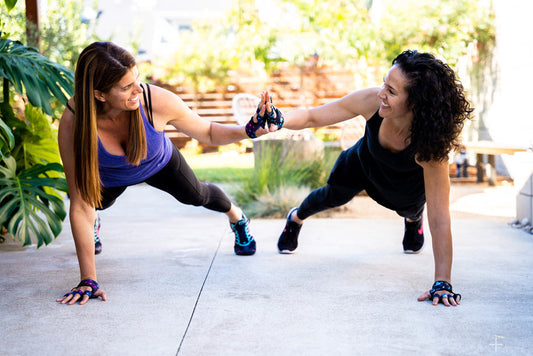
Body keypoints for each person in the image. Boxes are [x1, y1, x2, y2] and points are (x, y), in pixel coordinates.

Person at [56, 42, 282, 305]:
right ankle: (95, 223)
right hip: (110, 176)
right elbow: (80, 203)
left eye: (137, 80)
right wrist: (88, 279)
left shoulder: (154, 101)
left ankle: (237, 217)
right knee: (93, 206)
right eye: (126, 87)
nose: (138, 89)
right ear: (99, 94)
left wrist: (249, 129)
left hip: (158, 162)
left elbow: (207, 132)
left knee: (197, 195)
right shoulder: (74, 122)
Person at [273, 50, 472, 307]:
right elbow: (313, 116)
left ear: (416, 103)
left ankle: (413, 219)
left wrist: (442, 281)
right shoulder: (371, 101)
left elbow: (440, 218)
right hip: (361, 164)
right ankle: (295, 217)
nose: (381, 94)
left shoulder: (431, 146)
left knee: (411, 206)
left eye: (391, 91)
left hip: (403, 184)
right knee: (330, 196)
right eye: (384, 83)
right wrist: (279, 119)